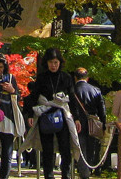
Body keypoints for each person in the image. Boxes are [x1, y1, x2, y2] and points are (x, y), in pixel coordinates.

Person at [24, 47, 82, 179]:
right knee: (47, 149)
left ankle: (65, 175)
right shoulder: (42, 78)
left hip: (62, 113)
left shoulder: (66, 77)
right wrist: (30, 114)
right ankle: (48, 175)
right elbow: (34, 96)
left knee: (65, 148)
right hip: (46, 114)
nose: (53, 65)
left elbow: (72, 98)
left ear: (60, 62)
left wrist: (76, 118)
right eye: (51, 62)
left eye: (56, 62)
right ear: (47, 63)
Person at [73, 67, 106, 178]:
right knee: (92, 147)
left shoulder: (72, 89)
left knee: (80, 148)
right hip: (93, 122)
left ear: (75, 77)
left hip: (77, 122)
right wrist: (103, 123)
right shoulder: (96, 90)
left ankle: (84, 173)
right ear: (87, 78)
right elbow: (102, 109)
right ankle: (91, 169)